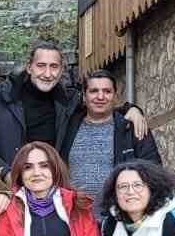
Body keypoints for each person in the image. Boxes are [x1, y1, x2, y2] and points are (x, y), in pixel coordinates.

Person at [0, 41, 148, 172]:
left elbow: (99, 107)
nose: (47, 74)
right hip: (6, 188)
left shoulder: (68, 102)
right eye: (41, 66)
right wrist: (3, 172)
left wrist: (129, 109)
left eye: (54, 67)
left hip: (48, 188)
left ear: (61, 70)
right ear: (29, 67)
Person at [61, 69, 160, 200]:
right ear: (84, 96)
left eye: (107, 91)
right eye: (94, 91)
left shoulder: (131, 128)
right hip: (75, 216)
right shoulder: (68, 126)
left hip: (118, 216)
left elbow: (154, 172)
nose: (100, 97)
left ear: (115, 96)